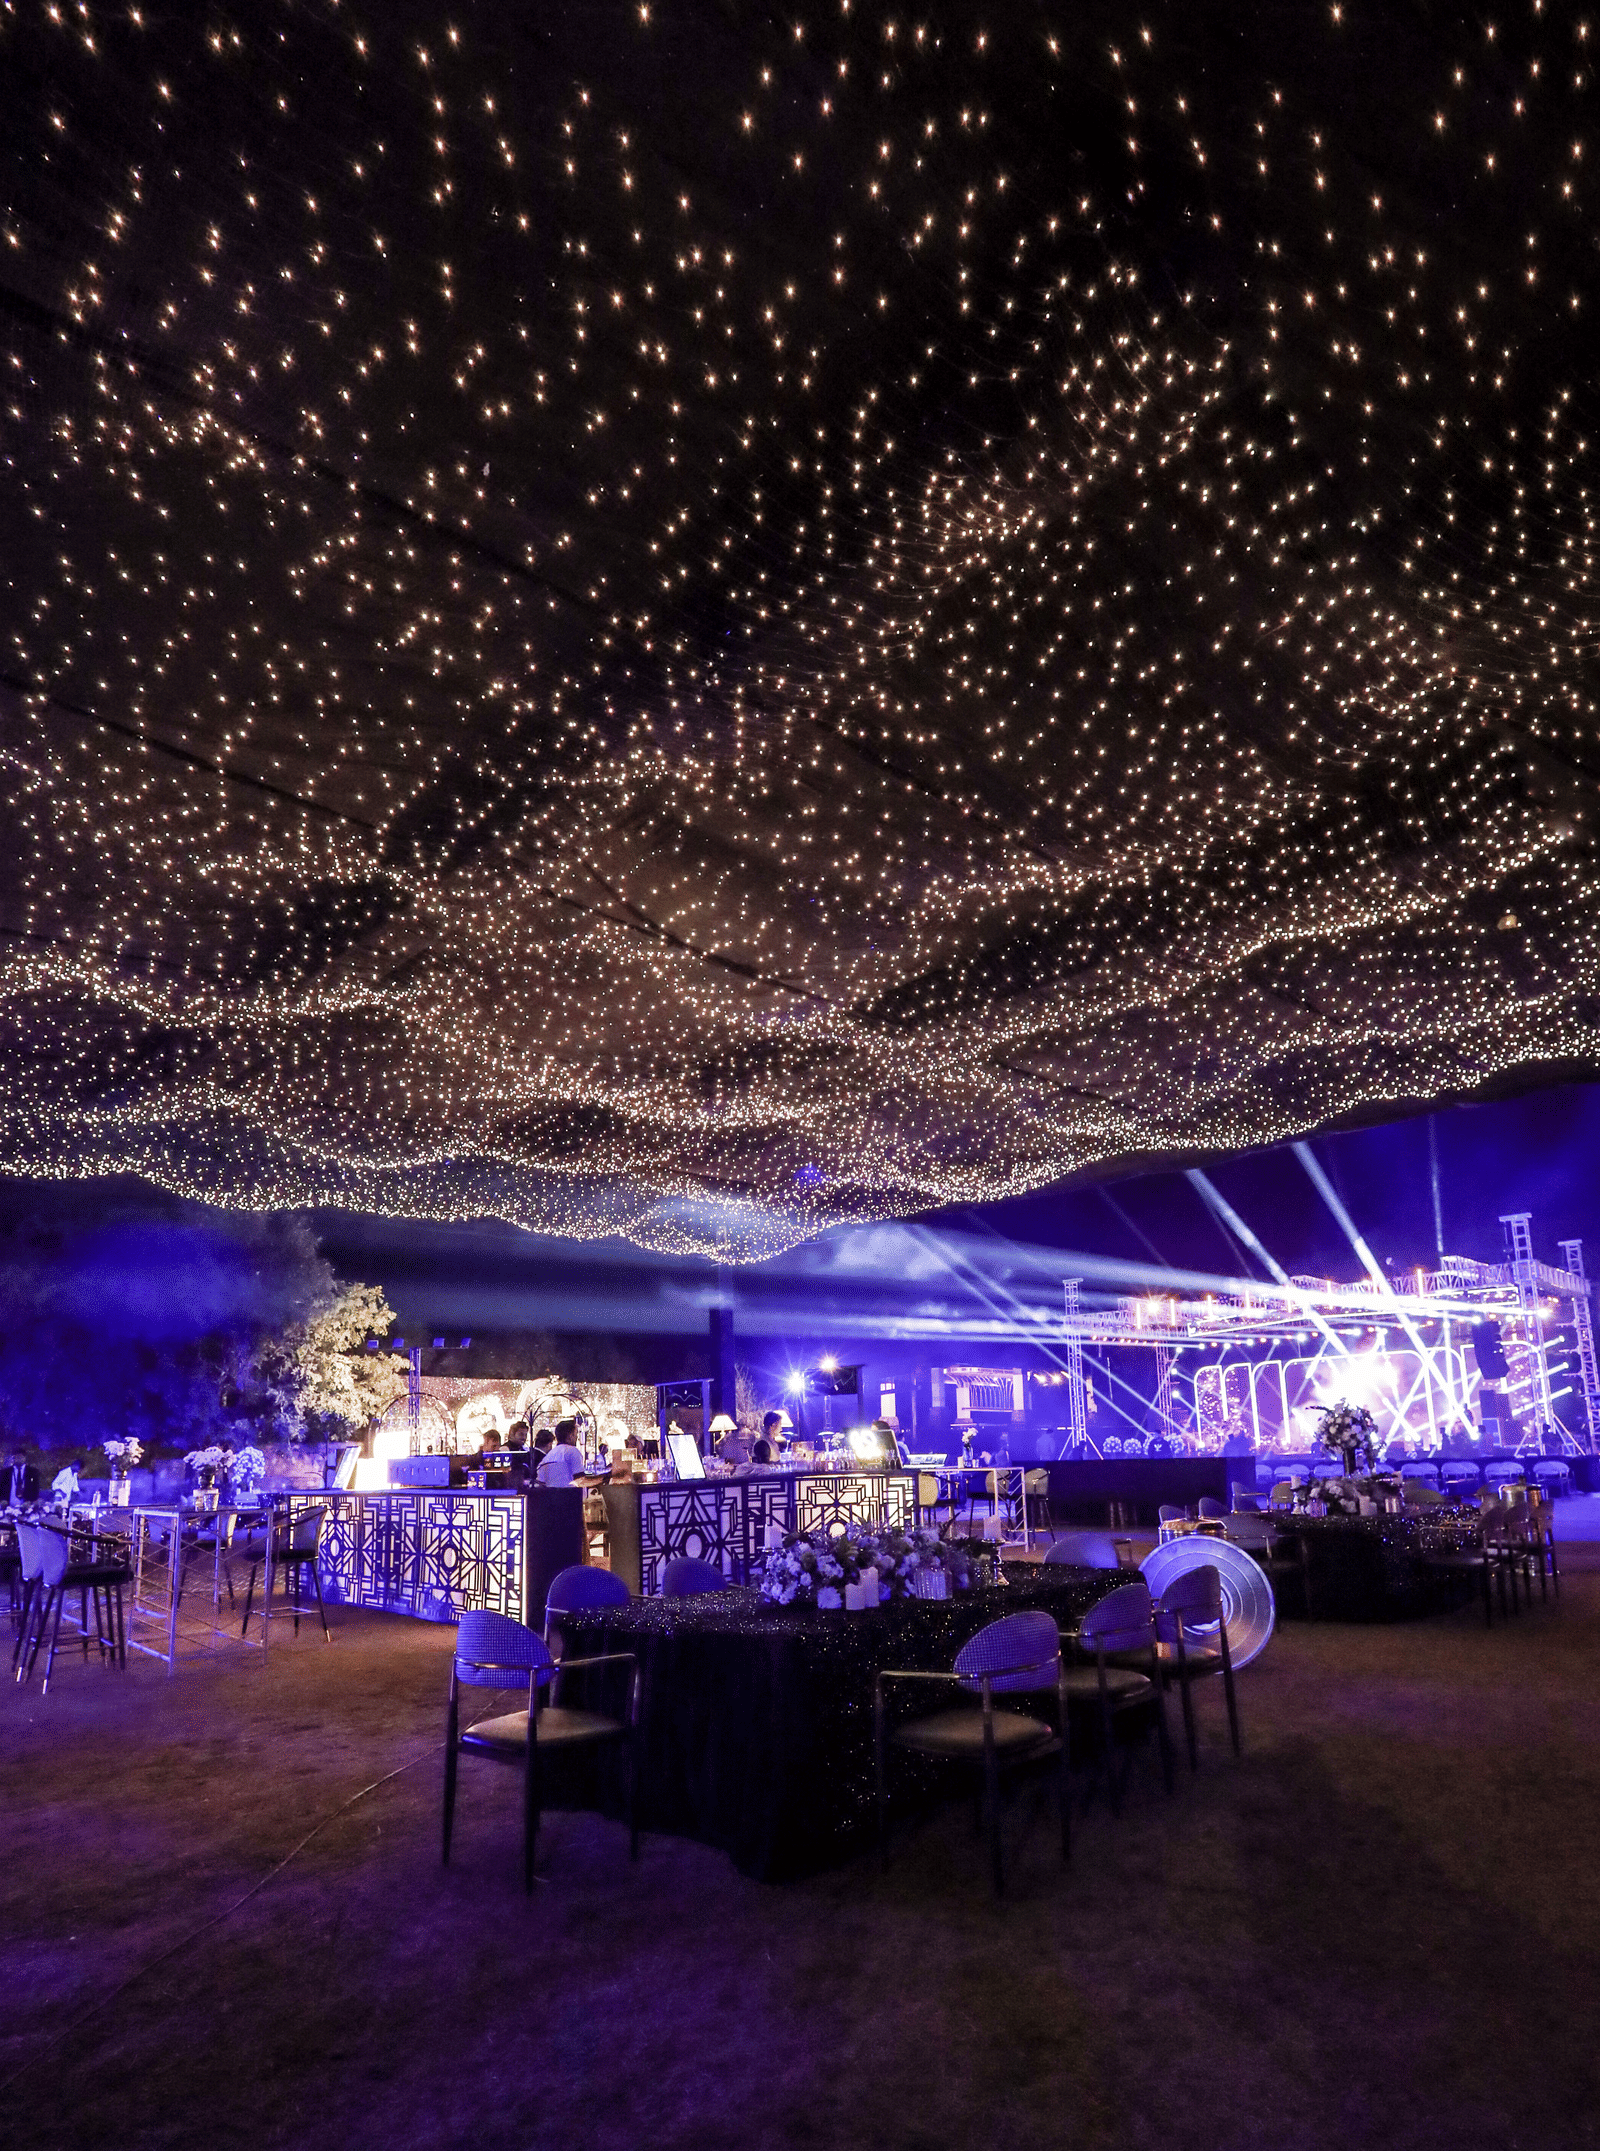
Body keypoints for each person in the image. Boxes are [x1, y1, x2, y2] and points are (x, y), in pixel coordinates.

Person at [537, 1419, 589, 1487]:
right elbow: (580, 1481)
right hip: (569, 1495)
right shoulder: (572, 1451)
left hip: (550, 1496)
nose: (577, 1437)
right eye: (576, 1434)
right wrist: (602, 1479)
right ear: (570, 1436)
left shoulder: (547, 1457)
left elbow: (540, 1483)